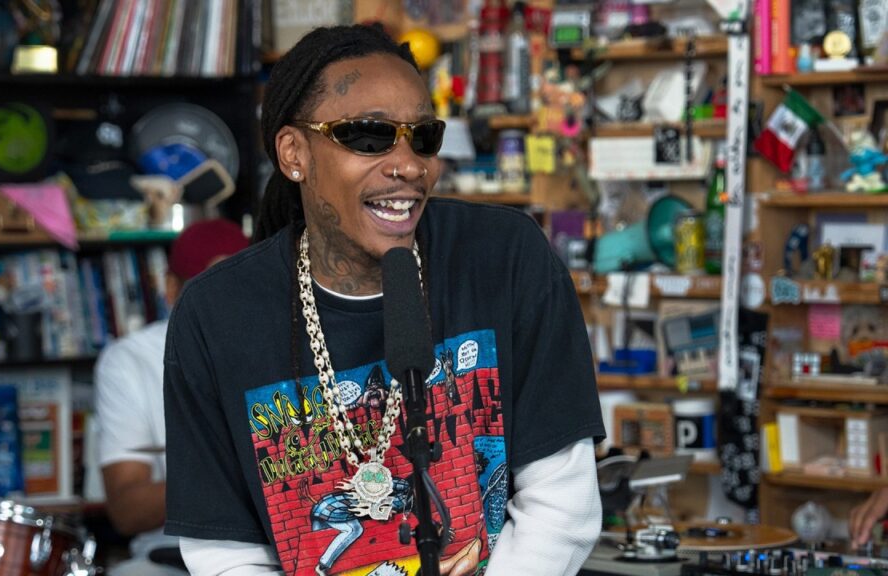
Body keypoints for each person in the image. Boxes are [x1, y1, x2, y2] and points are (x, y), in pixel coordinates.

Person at [163, 24, 605, 576]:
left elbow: (562, 505)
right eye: (369, 136)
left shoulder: (504, 258)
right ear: (294, 153)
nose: (410, 165)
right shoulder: (218, 314)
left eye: (423, 137)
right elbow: (225, 554)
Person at [94, 218, 250, 575]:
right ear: (170, 288)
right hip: (172, 555)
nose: (224, 307)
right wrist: (232, 473)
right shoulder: (130, 360)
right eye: (207, 291)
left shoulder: (283, 346)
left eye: (240, 289)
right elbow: (127, 510)